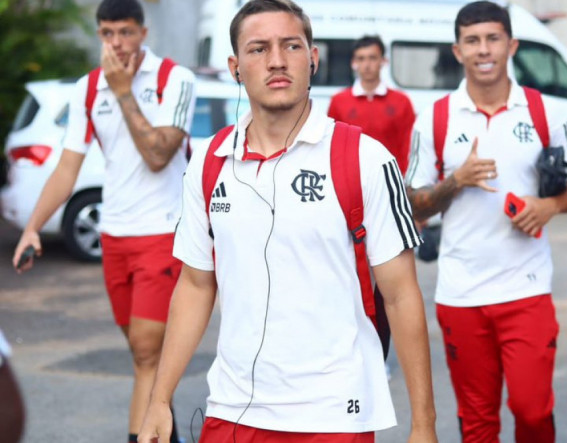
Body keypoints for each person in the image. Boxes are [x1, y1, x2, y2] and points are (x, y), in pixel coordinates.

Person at [137, 1, 437, 442]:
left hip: (334, 415)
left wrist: (423, 425)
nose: (277, 60)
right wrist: (159, 399)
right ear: (235, 67)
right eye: (258, 49)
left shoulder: (365, 159)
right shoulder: (210, 162)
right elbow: (196, 285)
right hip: (232, 411)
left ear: (312, 58)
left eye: (291, 45)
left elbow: (401, 296)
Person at [11, 1, 195, 441]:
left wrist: (124, 91)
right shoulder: (88, 88)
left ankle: (144, 435)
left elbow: (157, 155)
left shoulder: (175, 80)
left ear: (144, 33)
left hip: (161, 233)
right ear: (99, 35)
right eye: (108, 33)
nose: (117, 43)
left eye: (126, 32)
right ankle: (165, 433)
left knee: (149, 352)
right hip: (114, 236)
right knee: (139, 353)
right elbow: (67, 167)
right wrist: (33, 226)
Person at [406, 2, 567, 442]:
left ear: (512, 44)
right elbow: (413, 206)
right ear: (457, 50)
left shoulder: (547, 112)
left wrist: (548, 207)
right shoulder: (436, 118)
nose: (483, 50)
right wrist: (457, 182)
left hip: (526, 289)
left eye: (492, 39)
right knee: (477, 421)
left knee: (532, 411)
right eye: (472, 41)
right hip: (461, 292)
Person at [328, 35, 416, 175]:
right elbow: (333, 146)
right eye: (361, 59)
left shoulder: (401, 101)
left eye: (372, 58)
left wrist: (403, 179)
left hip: (390, 179)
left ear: (383, 61)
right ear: (353, 63)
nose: (367, 65)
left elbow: (409, 146)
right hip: (352, 179)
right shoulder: (339, 101)